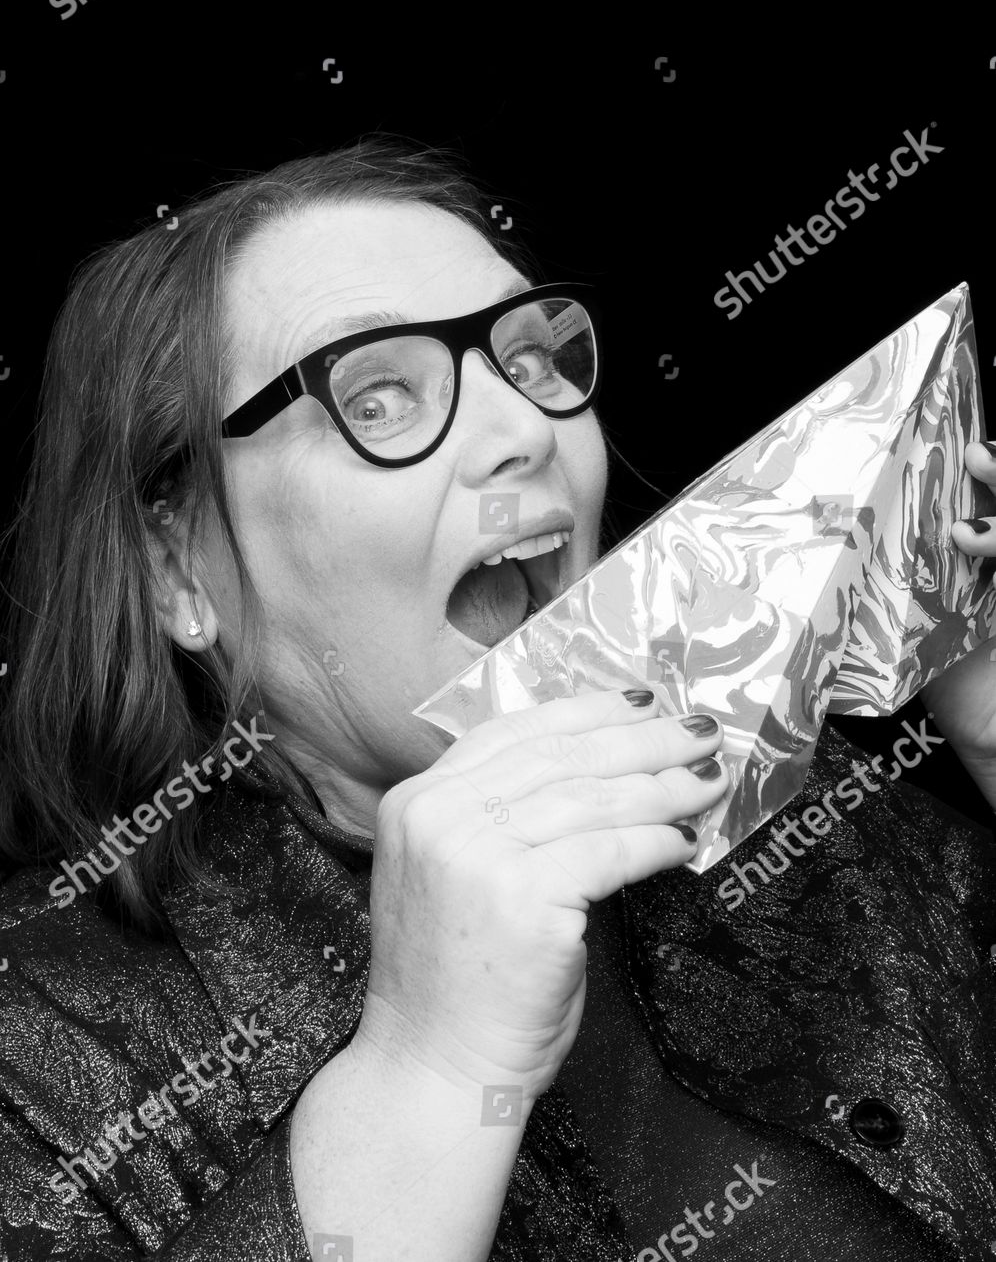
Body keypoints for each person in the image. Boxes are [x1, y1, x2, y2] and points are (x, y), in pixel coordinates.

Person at [0, 136, 993, 1262]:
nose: (527, 433)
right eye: (377, 397)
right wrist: (429, 1069)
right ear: (174, 569)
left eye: (532, 362)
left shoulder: (823, 831)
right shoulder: (35, 1048)